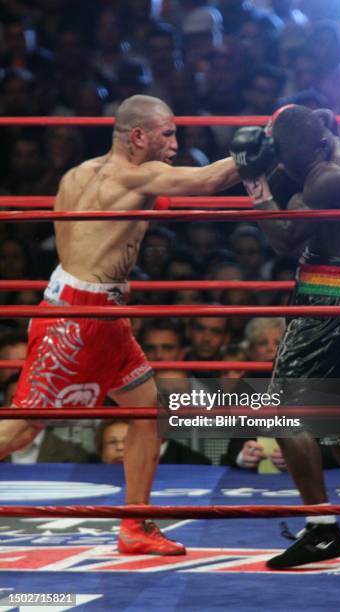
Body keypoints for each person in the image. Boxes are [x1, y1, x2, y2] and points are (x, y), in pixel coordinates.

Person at [0, 94, 240, 556]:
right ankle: (135, 523)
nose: (175, 143)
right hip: (77, 320)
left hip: (98, 312)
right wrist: (268, 144)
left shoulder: (75, 175)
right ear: (138, 137)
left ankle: (135, 524)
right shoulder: (137, 174)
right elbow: (210, 180)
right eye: (167, 133)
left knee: (148, 411)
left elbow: (78, 247)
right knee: (24, 427)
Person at [230, 104, 340, 568]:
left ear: (320, 145)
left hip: (328, 304)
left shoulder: (330, 176)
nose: (290, 169)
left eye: (293, 162)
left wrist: (256, 183)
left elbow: (286, 240)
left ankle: (321, 528)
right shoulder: (326, 143)